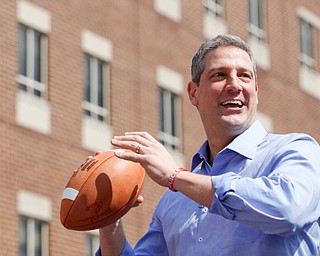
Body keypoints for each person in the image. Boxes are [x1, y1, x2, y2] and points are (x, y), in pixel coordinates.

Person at [95, 34, 320, 255]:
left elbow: (288, 210)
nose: (234, 85)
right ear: (194, 94)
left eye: (244, 76)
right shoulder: (175, 199)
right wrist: (107, 217)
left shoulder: (297, 150)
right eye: (220, 75)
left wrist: (176, 177)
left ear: (256, 92)